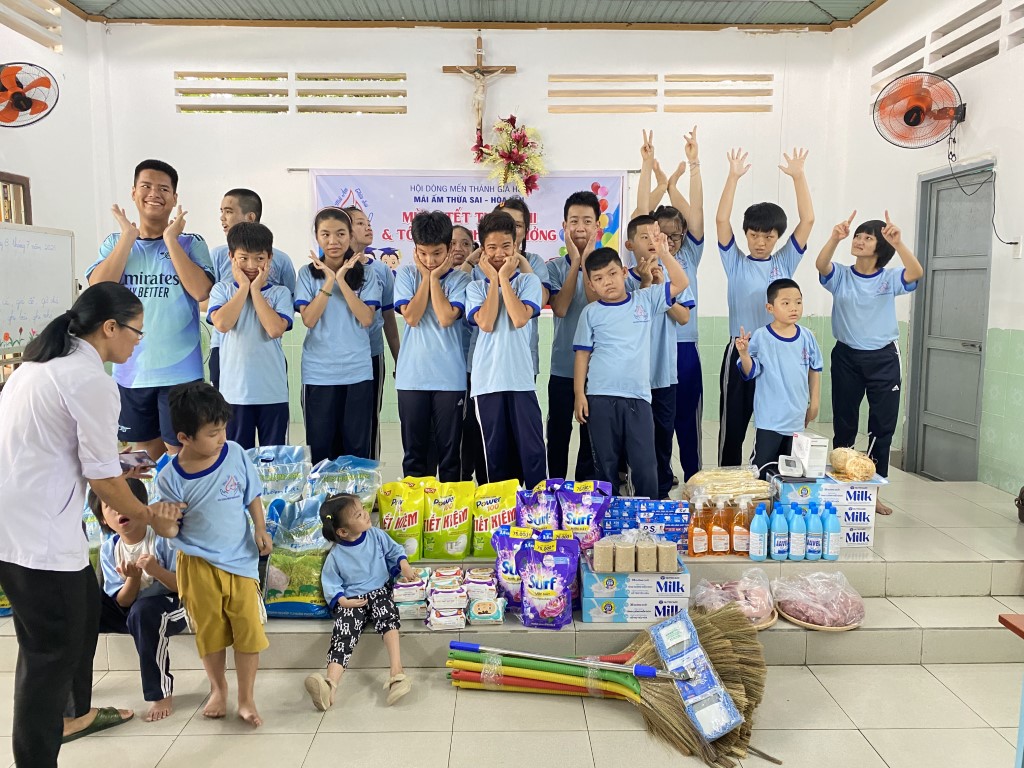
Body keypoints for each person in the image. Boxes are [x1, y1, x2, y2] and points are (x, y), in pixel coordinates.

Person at [0, 283, 183, 767]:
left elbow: (61, 449)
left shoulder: (35, 368)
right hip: (38, 539)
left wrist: (122, 465)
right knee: (47, 658)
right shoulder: (91, 381)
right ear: (110, 328)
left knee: (82, 609)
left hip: (14, 528)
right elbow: (102, 483)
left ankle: (77, 713)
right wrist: (150, 515)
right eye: (136, 332)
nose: (137, 343)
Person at [156, 382, 273, 727]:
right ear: (185, 437)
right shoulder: (169, 478)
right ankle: (218, 689)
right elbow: (172, 532)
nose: (221, 438)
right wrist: (162, 522)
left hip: (240, 560)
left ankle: (246, 698)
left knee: (248, 629)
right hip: (197, 565)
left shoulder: (234, 453)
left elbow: (252, 495)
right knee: (210, 632)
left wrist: (260, 528)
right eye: (212, 433)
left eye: (223, 429)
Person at [87, 159, 215, 460]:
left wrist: (170, 240)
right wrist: (127, 238)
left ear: (174, 197)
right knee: (139, 459)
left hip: (181, 374)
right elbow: (98, 289)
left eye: (163, 189)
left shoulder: (191, 243)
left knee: (184, 457)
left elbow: (200, 291)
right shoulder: (115, 243)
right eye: (146, 186)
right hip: (131, 373)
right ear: (134, 193)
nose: (154, 193)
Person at [816, 210, 923, 515]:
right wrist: (834, 238)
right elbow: (821, 265)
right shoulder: (841, 276)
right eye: (857, 236)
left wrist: (899, 243)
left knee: (882, 427)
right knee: (844, 424)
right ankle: (843, 486)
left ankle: (873, 491)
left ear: (881, 247)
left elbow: (916, 272)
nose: (859, 241)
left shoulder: (889, 278)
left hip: (883, 359)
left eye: (867, 238)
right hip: (846, 357)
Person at [716, 147, 814, 467]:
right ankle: (729, 481)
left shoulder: (785, 261)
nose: (760, 242)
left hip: (777, 356)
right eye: (754, 235)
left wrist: (798, 176)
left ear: (777, 237)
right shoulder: (735, 263)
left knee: (774, 430)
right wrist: (733, 177)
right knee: (733, 428)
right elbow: (721, 219)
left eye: (768, 237)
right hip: (741, 349)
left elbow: (808, 220)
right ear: (745, 234)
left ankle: (774, 482)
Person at [573, 235, 692, 499]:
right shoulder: (590, 313)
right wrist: (579, 394)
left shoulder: (644, 300)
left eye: (612, 273)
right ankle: (607, 515)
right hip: (600, 397)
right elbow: (582, 355)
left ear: (625, 272)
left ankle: (646, 512)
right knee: (605, 464)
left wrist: (664, 254)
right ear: (591, 285)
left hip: (638, 397)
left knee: (645, 463)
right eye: (599, 278)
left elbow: (681, 283)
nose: (607, 281)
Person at [303, 494, 418, 711]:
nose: (366, 514)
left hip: (380, 591)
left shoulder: (376, 535)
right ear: (343, 532)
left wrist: (404, 564)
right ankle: (329, 686)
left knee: (388, 617)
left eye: (363, 509)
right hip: (353, 600)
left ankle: (397, 673)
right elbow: (331, 582)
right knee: (343, 633)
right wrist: (342, 601)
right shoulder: (336, 555)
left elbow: (395, 551)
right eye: (358, 515)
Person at [92, 479, 187, 723]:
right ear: (103, 520)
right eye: (109, 506)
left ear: (142, 507)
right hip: (134, 608)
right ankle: (76, 685)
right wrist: (133, 579)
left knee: (144, 612)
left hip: (175, 603)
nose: (118, 510)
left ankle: (160, 693)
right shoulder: (109, 548)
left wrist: (156, 571)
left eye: (124, 501)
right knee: (86, 606)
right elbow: (122, 602)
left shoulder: (164, 538)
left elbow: (184, 587)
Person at [642, 127, 706, 483]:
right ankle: (661, 478)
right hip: (652, 350)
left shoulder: (689, 255)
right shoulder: (645, 256)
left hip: (684, 349)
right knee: (657, 421)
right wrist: (652, 173)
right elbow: (641, 213)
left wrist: (692, 167)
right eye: (660, 234)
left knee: (687, 421)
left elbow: (696, 211)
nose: (668, 239)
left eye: (675, 234)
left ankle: (694, 477)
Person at [467, 211, 547, 488]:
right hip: (487, 382)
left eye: (506, 246)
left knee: (533, 452)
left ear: (516, 247)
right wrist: (494, 281)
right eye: (491, 247)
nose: (499, 254)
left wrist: (503, 279)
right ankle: (501, 510)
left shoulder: (529, 282)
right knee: (496, 455)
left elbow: (519, 317)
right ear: (482, 251)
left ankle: (537, 506)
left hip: (521, 379)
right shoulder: (475, 288)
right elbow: (487, 323)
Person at [295, 208, 382, 464]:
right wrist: (328, 281)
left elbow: (366, 319)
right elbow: (309, 319)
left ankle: (355, 492)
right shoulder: (306, 274)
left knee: (356, 449)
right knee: (321, 449)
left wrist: (342, 279)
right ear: (317, 237)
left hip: (357, 372)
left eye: (341, 234)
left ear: (350, 235)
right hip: (318, 373)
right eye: (326, 234)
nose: (333, 241)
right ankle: (323, 492)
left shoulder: (367, 273)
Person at [394, 211, 470, 481]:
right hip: (411, 378)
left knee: (450, 458)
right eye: (423, 253)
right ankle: (416, 506)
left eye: (437, 253)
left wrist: (434, 279)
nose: (429, 261)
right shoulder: (405, 275)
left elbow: (446, 317)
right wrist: (427, 278)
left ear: (449, 248)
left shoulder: (461, 280)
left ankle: (450, 507)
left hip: (449, 380)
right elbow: (412, 317)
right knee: (414, 455)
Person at [623, 215, 696, 499]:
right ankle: (635, 487)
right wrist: (648, 286)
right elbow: (628, 317)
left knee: (663, 435)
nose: (652, 242)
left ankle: (662, 490)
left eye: (656, 237)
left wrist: (663, 292)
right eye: (645, 237)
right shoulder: (622, 278)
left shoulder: (673, 276)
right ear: (630, 244)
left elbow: (684, 317)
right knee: (635, 438)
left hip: (664, 372)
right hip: (633, 377)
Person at [208, 222, 293, 449]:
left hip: (273, 394)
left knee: (275, 460)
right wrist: (244, 287)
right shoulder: (222, 290)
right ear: (231, 257)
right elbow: (222, 324)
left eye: (259, 258)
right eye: (243, 258)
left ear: (270, 258)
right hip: (234, 395)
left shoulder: (280, 293)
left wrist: (255, 290)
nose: (252, 265)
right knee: (237, 456)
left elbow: (274, 329)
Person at [209, 189, 296, 390]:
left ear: (250, 217)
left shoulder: (281, 260)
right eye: (221, 211)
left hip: (266, 349)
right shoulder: (218, 256)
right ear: (232, 257)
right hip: (223, 346)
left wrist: (257, 295)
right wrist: (240, 294)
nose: (222, 218)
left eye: (229, 211)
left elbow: (288, 304)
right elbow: (207, 301)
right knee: (224, 406)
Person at [735, 278, 822, 479]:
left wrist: (814, 404)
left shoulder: (807, 336)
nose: (794, 308)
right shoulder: (761, 336)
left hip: (797, 420)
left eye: (798, 302)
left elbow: (815, 370)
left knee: (792, 473)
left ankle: (782, 500)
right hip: (769, 420)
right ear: (770, 308)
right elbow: (750, 372)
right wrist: (744, 354)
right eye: (786, 303)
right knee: (762, 471)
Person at [547, 191, 602, 481]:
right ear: (564, 226)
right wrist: (574, 263)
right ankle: (554, 489)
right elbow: (560, 307)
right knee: (557, 435)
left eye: (587, 221)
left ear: (597, 227)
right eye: (574, 221)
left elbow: (597, 306)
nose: (580, 227)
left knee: (590, 439)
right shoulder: (554, 267)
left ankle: (583, 493)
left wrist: (587, 262)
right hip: (562, 368)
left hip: (596, 371)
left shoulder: (606, 267)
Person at [345, 206, 400, 460]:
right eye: (359, 223)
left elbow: (388, 319)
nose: (367, 227)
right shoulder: (328, 270)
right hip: (336, 360)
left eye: (368, 222)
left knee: (368, 421)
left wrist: (399, 358)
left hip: (372, 355)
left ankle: (367, 477)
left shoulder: (381, 270)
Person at [451, 226, 489, 484]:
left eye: (466, 244)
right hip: (448, 366)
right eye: (453, 243)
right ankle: (461, 481)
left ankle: (484, 484)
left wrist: (469, 265)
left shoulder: (479, 276)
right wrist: (466, 264)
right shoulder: (440, 276)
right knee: (455, 431)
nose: (459, 249)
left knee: (475, 427)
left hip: (474, 363)